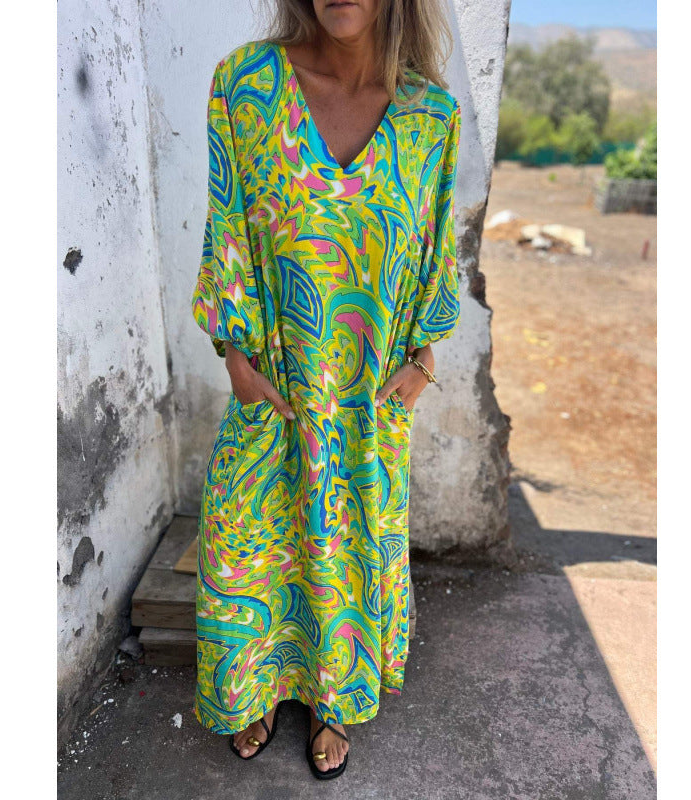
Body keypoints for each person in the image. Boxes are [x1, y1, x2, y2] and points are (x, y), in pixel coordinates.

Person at [191, 0, 462, 780]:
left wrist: (422, 362)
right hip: (274, 389)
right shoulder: (247, 86)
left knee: (345, 559)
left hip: (366, 407)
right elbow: (226, 230)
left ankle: (330, 699)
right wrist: (235, 360)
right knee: (248, 549)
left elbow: (434, 251)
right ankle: (260, 684)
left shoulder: (429, 119)